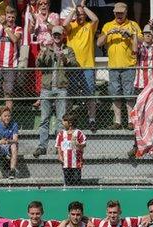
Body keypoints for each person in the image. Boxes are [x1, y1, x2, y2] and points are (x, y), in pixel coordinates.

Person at [32, 25, 78, 158]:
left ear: (63, 35)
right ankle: (42, 146)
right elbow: (38, 65)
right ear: (52, 36)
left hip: (61, 88)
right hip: (47, 88)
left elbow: (74, 65)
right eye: (55, 35)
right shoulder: (46, 49)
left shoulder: (68, 50)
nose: (57, 37)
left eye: (59, 34)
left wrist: (65, 59)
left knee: (60, 120)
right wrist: (41, 55)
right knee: (44, 119)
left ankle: (61, 146)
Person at [97, 2, 141, 130]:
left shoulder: (133, 25)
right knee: (115, 94)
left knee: (129, 94)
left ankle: (131, 121)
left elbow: (143, 42)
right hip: (113, 66)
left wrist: (130, 35)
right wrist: (108, 33)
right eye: (117, 13)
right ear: (114, 13)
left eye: (121, 13)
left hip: (129, 65)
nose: (119, 15)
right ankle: (117, 122)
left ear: (126, 12)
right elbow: (99, 43)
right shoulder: (108, 25)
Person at [64, 1, 99, 130]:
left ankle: (92, 120)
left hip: (87, 66)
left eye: (82, 14)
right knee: (70, 94)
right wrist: (74, 10)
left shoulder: (90, 26)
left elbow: (95, 19)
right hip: (72, 66)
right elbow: (64, 24)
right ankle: (68, 120)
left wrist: (83, 7)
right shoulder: (71, 26)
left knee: (89, 94)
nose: (80, 16)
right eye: (78, 14)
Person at [0, 6, 22, 120]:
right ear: (5, 16)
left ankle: (7, 119)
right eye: (9, 16)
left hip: (11, 65)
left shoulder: (17, 29)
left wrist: (6, 27)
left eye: (13, 17)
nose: (11, 19)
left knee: (8, 95)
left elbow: (15, 39)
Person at [0, 106, 19, 181]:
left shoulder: (14, 124)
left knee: (14, 146)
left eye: (9, 116)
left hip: (9, 144)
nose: (7, 118)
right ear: (0, 116)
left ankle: (12, 170)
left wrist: (8, 141)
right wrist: (0, 142)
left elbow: (15, 139)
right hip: (0, 145)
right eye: (5, 116)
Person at [55, 113, 86, 185]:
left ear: (70, 123)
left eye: (64, 120)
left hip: (76, 162)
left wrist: (78, 144)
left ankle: (77, 194)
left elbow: (84, 144)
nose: (62, 122)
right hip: (65, 162)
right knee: (67, 180)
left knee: (76, 180)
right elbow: (59, 146)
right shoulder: (61, 134)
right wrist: (59, 155)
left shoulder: (78, 133)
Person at [134, 21, 153, 91]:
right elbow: (135, 51)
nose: (148, 35)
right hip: (141, 81)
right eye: (146, 33)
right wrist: (134, 35)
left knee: (152, 101)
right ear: (143, 35)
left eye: (149, 34)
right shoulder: (140, 46)